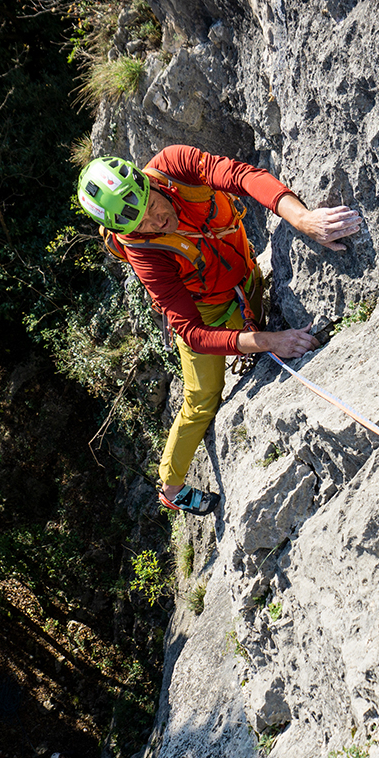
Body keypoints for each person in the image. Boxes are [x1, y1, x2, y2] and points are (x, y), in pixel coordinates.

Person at [76, 145, 360, 514]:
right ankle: (171, 487)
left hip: (245, 281)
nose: (155, 222)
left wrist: (302, 219)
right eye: (140, 224)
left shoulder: (174, 167)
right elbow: (192, 333)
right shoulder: (144, 252)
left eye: (151, 206)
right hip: (205, 311)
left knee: (262, 322)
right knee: (203, 397)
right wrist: (267, 342)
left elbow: (243, 177)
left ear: (149, 184)